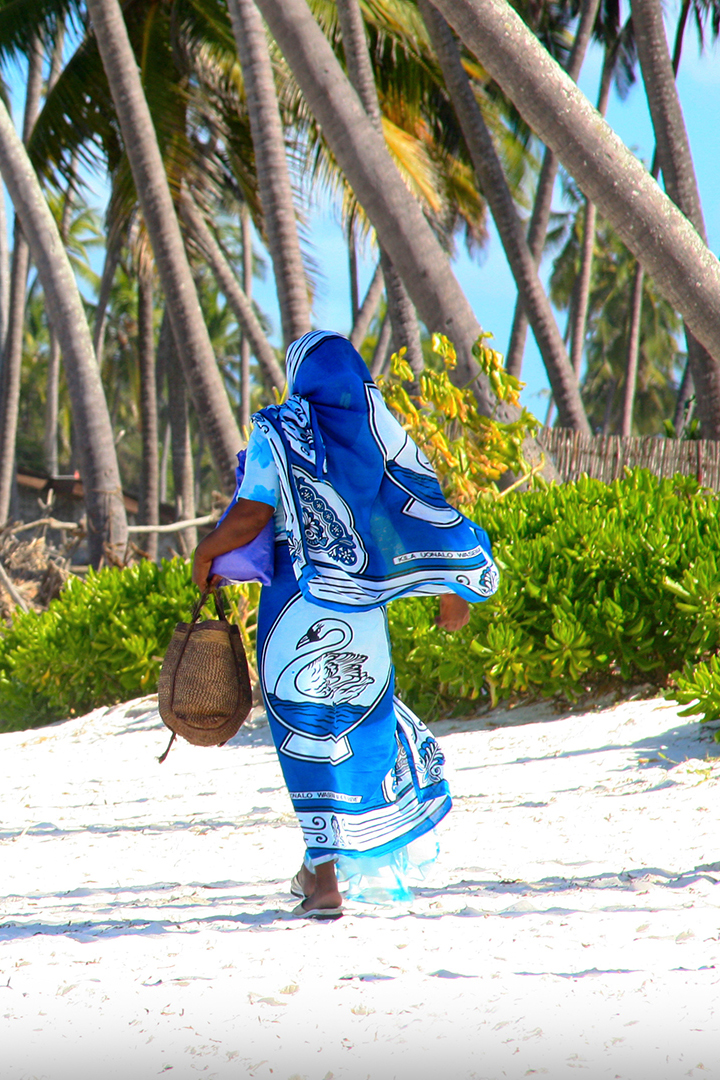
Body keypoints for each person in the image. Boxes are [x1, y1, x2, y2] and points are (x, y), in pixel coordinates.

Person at [192, 330, 499, 919]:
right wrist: (450, 586)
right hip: (359, 614)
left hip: (295, 606)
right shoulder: (382, 434)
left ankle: (325, 878)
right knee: (357, 724)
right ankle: (320, 867)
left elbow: (253, 512)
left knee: (305, 730)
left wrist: (204, 552)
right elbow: (418, 510)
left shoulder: (278, 430)